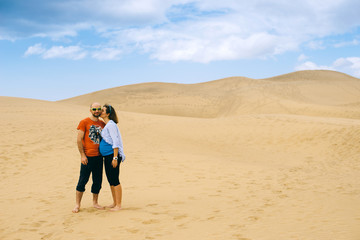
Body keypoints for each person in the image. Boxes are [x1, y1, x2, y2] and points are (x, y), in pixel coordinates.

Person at [72, 102, 106, 213]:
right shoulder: (84, 122)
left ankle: (95, 202)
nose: (97, 111)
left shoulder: (102, 123)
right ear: (90, 110)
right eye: (94, 109)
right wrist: (82, 155)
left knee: (97, 181)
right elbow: (79, 139)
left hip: (99, 157)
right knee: (82, 180)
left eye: (99, 109)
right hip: (87, 157)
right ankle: (77, 204)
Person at [99, 104, 126, 211]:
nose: (101, 112)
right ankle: (114, 202)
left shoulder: (111, 125)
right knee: (110, 180)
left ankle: (118, 205)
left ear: (108, 113)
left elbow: (116, 141)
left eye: (103, 110)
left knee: (115, 180)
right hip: (107, 156)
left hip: (112, 156)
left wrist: (115, 157)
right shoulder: (107, 125)